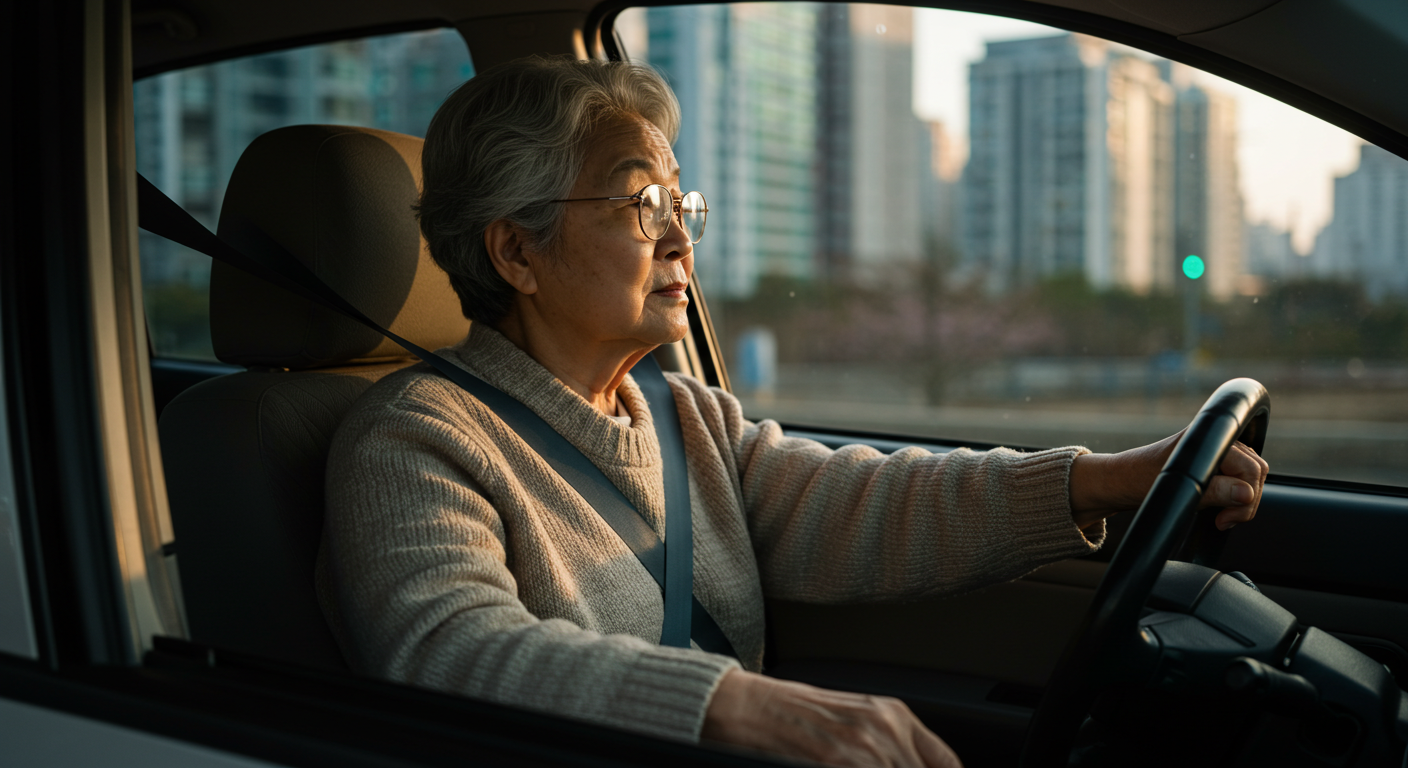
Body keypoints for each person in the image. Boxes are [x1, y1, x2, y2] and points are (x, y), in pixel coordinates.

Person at [316, 56, 1269, 768]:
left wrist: (1100, 480)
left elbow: (867, 504)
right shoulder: (414, 441)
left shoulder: (686, 417)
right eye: (641, 204)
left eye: (681, 202)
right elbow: (450, 649)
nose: (681, 237)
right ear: (516, 253)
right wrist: (739, 705)